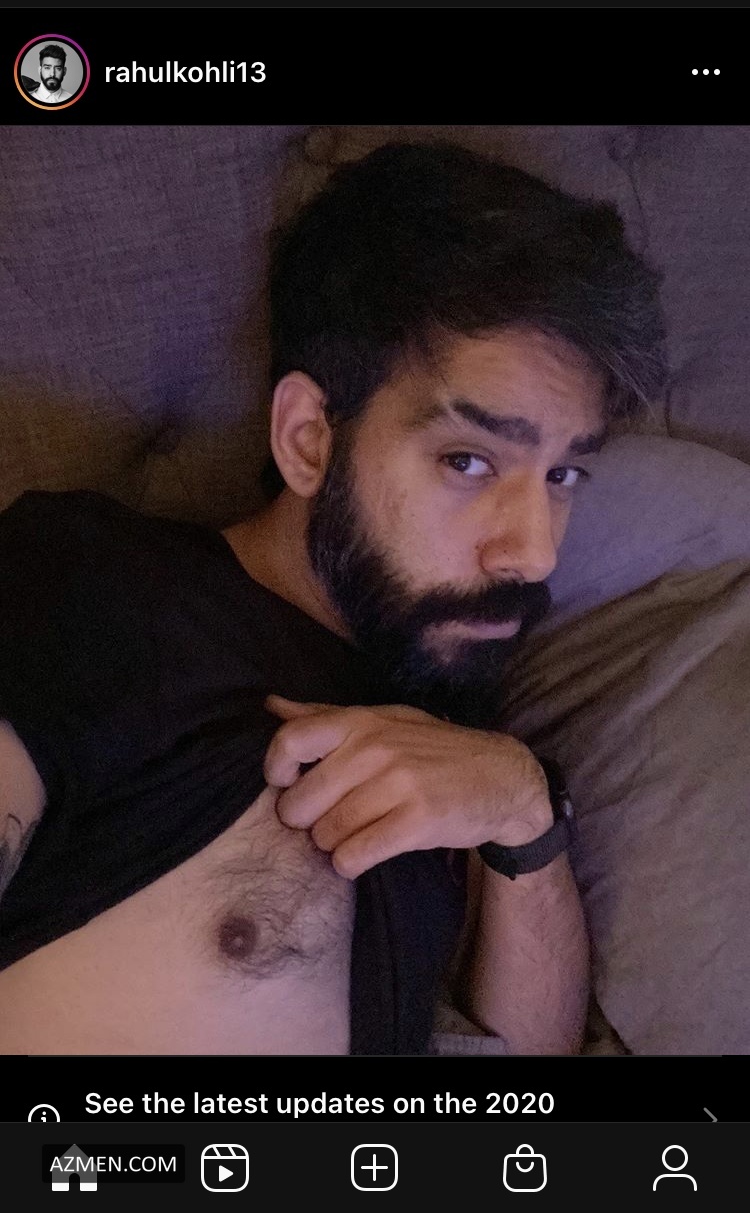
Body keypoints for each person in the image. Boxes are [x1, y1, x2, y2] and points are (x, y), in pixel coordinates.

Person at [0, 142, 666, 1055]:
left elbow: (532, 1061)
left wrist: (522, 813)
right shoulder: (100, 583)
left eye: (564, 474)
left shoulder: (450, 710)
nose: (533, 551)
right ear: (309, 439)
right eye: (468, 461)